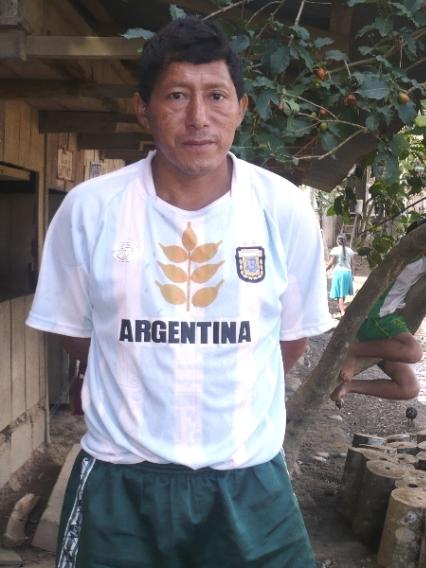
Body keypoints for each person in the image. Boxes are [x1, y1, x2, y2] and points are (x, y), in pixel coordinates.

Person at [26, 16, 332, 568]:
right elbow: (79, 335)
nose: (198, 118)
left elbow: (287, 341)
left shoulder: (283, 209)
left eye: (216, 95)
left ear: (241, 107)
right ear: (142, 109)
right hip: (119, 478)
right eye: (176, 95)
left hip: (248, 479)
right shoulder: (90, 209)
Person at [330, 216, 426, 403]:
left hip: (386, 320)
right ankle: (353, 350)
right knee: (414, 352)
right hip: (373, 316)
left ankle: (349, 386)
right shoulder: (411, 254)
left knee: (410, 388)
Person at [326, 234, 356, 315]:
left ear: (337, 241)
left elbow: (330, 263)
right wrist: (352, 275)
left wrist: (324, 270)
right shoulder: (350, 250)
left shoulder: (335, 250)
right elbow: (353, 265)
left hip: (338, 273)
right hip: (347, 273)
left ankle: (342, 312)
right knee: (343, 292)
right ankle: (341, 307)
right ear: (346, 241)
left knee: (339, 294)